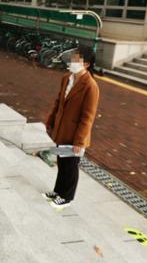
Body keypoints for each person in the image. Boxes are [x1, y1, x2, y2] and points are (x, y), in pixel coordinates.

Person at [43, 46, 100, 209]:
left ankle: (66, 197)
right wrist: (50, 121)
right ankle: (58, 191)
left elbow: (87, 117)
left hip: (76, 135)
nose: (73, 61)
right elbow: (58, 101)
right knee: (62, 161)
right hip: (62, 129)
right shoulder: (67, 78)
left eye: (77, 59)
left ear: (87, 64)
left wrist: (79, 142)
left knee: (70, 166)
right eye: (73, 57)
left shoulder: (90, 86)